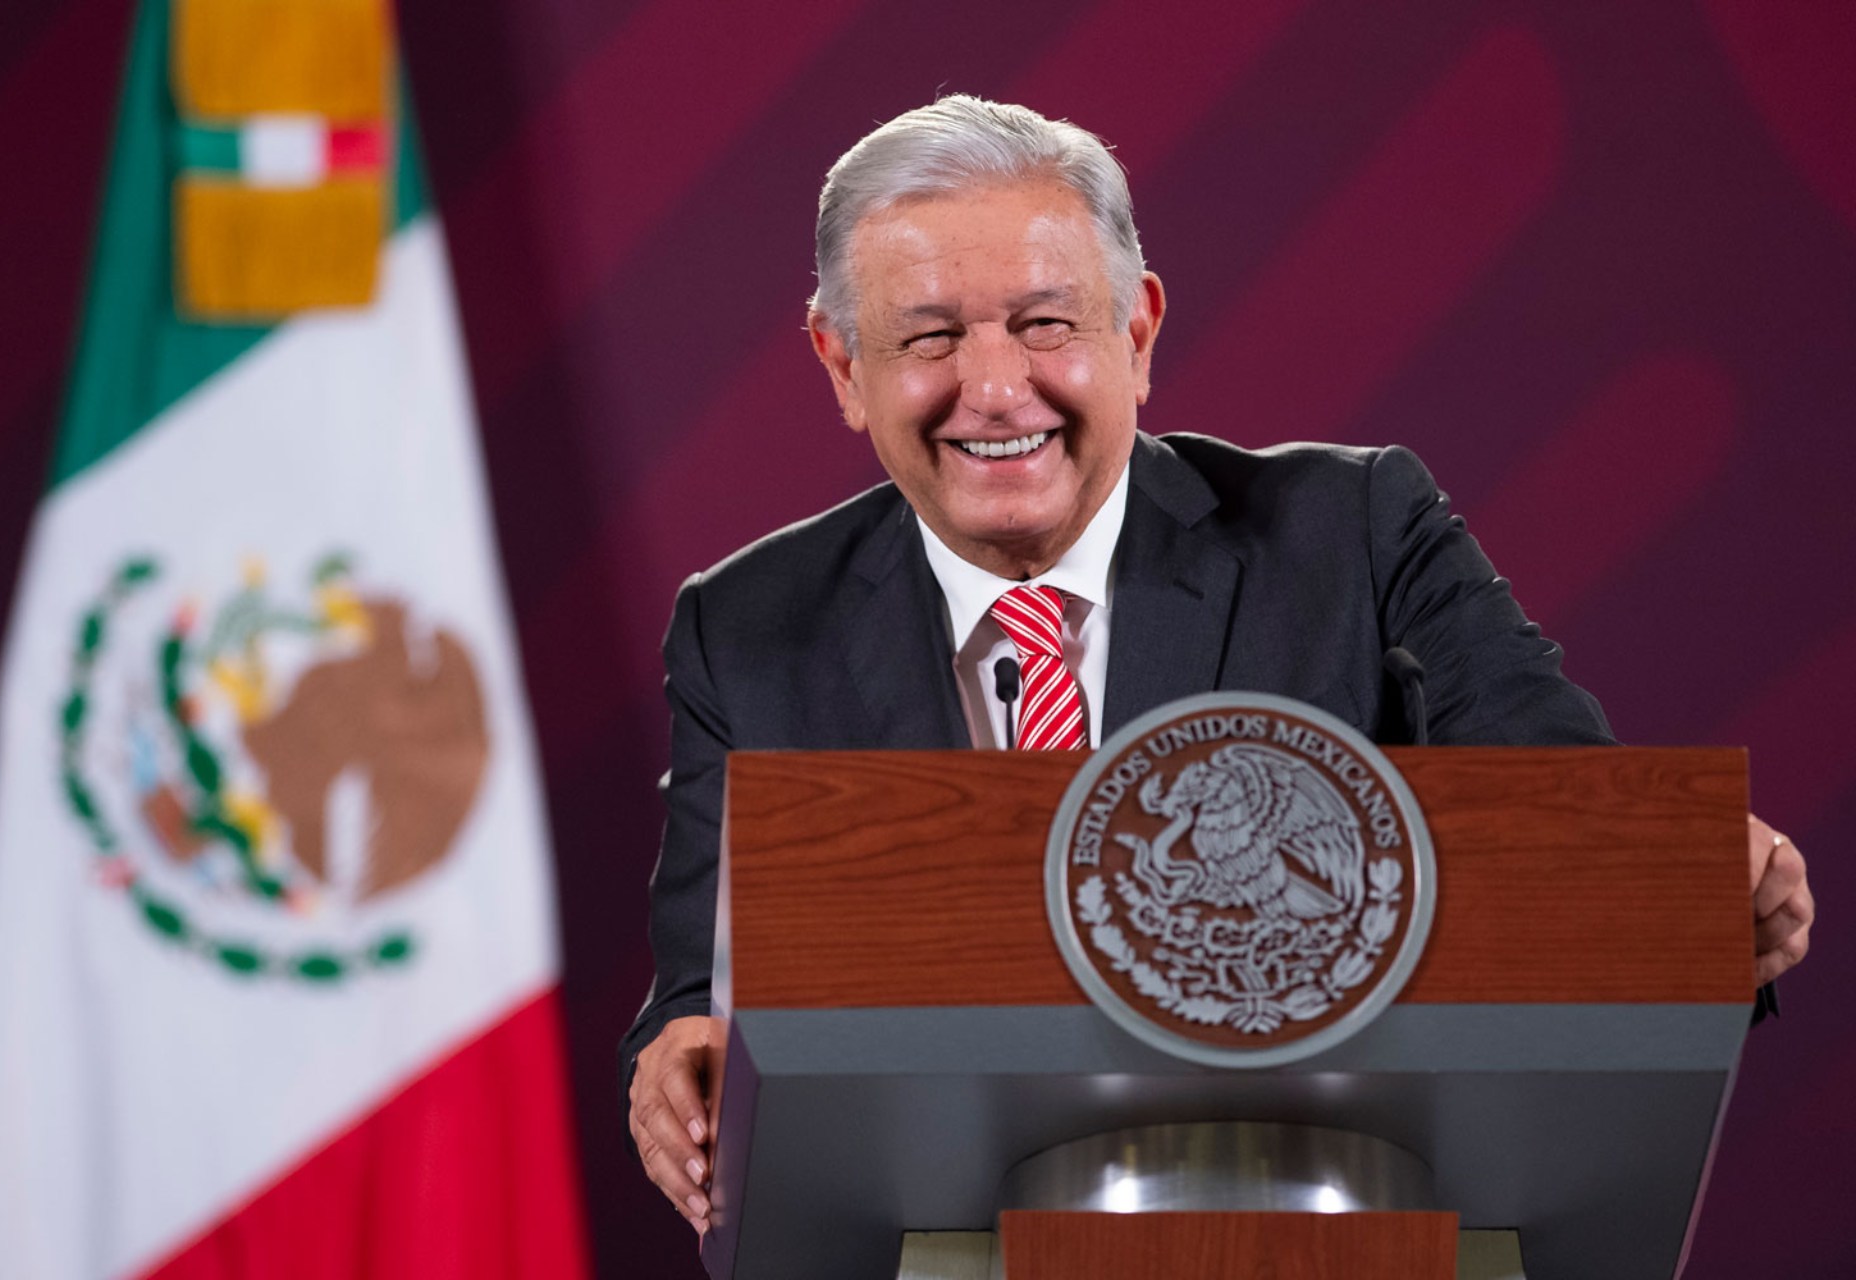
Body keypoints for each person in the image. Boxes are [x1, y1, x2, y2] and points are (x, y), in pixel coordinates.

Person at [618, 95, 1814, 1235]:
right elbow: (702, 998)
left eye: (1046, 324)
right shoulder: (746, 630)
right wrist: (682, 1064)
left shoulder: (1356, 536)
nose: (995, 389)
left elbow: (1576, 819)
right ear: (842, 366)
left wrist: (1702, 887)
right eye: (930, 338)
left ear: (1136, 332)